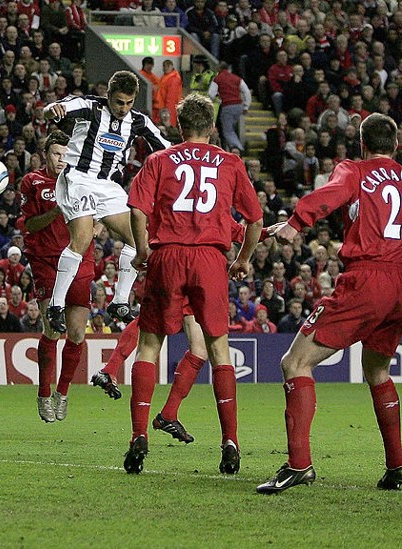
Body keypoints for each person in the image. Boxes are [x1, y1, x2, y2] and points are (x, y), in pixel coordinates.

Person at [257, 113, 402, 494]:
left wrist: (296, 221)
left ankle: (299, 464)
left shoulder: (354, 170)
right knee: (377, 369)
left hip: (369, 278)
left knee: (295, 362)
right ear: (397, 145)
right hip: (401, 282)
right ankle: (398, 467)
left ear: (362, 145)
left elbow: (330, 195)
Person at [125, 94, 262, 475]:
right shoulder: (231, 162)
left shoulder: (159, 159)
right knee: (218, 348)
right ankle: (230, 441)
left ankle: (139, 435)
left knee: (150, 345)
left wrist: (141, 250)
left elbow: (137, 208)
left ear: (179, 127)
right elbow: (254, 219)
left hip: (167, 254)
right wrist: (243, 260)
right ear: (213, 127)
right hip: (210, 258)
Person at [41, 71, 170, 334]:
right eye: (119, 102)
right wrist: (52, 111)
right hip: (77, 178)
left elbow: (167, 148)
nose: (123, 108)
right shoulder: (90, 106)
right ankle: (55, 305)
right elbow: (57, 109)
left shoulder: (138, 121)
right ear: (108, 95)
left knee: (139, 237)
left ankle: (120, 301)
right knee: (83, 238)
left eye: (129, 103)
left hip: (108, 186)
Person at [19, 131, 95, 423]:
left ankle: (62, 393)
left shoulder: (82, 181)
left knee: (76, 333)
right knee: (53, 328)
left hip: (79, 261)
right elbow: (31, 225)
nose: (61, 160)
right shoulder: (33, 182)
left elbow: (97, 219)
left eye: (66, 154)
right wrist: (57, 210)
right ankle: (43, 392)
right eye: (55, 154)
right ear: (45, 155)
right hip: (47, 261)